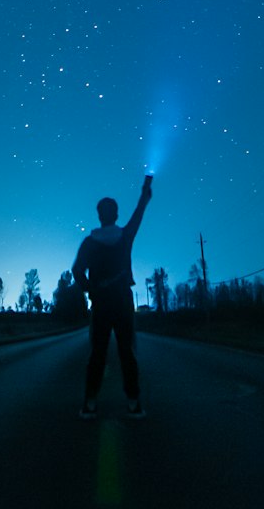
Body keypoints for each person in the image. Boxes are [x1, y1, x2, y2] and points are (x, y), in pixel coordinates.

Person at [72, 173, 153, 419]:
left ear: (99, 215)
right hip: (122, 302)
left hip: (101, 303)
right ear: (116, 214)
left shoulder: (89, 242)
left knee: (97, 352)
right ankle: (132, 402)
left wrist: (91, 289)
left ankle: (91, 402)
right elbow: (140, 210)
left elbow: (76, 270)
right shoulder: (125, 235)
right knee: (127, 351)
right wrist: (145, 189)